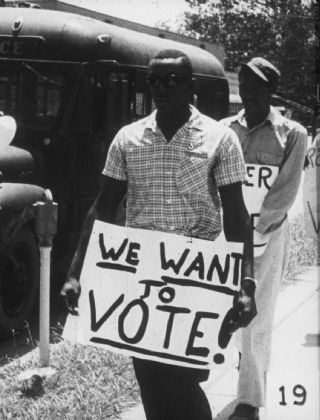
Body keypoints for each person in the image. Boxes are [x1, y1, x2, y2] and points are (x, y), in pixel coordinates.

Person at [60, 49, 257, 420]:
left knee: (184, 377)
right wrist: (75, 271)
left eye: (173, 80)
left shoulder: (220, 138)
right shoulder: (128, 138)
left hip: (198, 275)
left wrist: (245, 283)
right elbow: (103, 207)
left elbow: (236, 215)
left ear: (191, 85)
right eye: (155, 81)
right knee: (150, 377)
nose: (163, 88)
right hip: (141, 276)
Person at [222, 57, 308, 420]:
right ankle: (248, 368)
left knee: (258, 316)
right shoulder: (225, 130)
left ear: (271, 90)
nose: (249, 92)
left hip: (268, 236)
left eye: (257, 85)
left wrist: (257, 231)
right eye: (244, 83)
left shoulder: (293, 134)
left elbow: (285, 193)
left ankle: (249, 402)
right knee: (230, 311)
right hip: (228, 234)